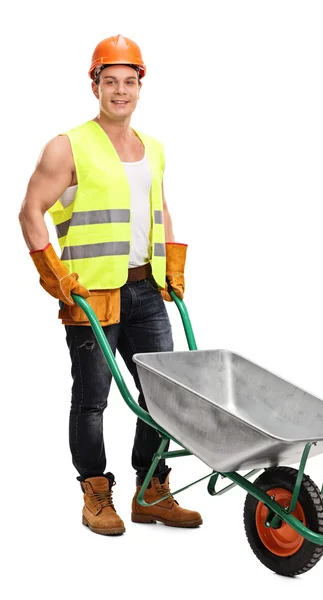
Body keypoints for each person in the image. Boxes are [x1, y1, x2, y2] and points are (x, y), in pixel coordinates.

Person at [18, 34, 203, 536]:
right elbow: (29, 210)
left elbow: (158, 208)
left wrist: (174, 265)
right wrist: (54, 275)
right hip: (92, 293)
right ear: (94, 84)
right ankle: (96, 493)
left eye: (129, 81)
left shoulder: (154, 148)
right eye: (110, 81)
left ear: (141, 85)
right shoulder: (68, 146)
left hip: (146, 291)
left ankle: (151, 490)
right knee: (93, 399)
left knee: (165, 396)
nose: (120, 90)